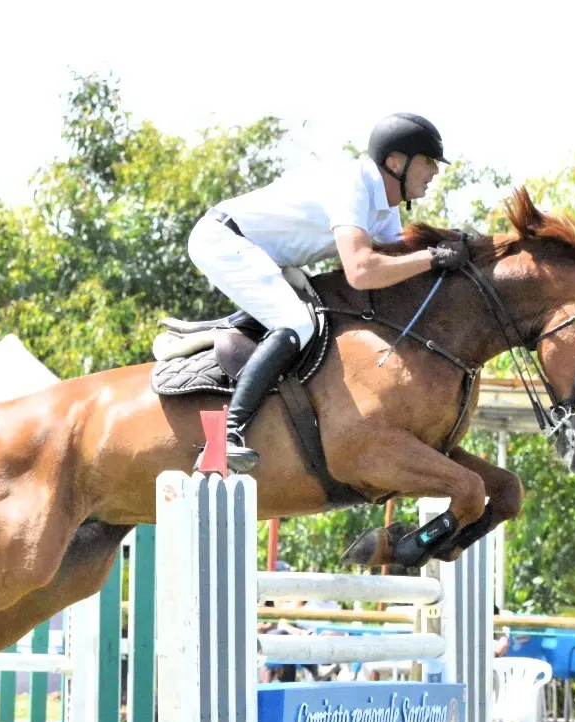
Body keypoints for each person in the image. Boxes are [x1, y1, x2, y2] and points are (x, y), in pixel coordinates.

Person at [187, 113, 464, 473]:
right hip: (224, 240)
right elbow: (362, 270)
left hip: (266, 257)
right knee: (298, 323)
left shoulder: (383, 208)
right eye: (429, 162)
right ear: (397, 162)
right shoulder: (352, 185)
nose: (435, 173)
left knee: (314, 318)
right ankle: (226, 436)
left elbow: (400, 269)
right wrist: (432, 257)